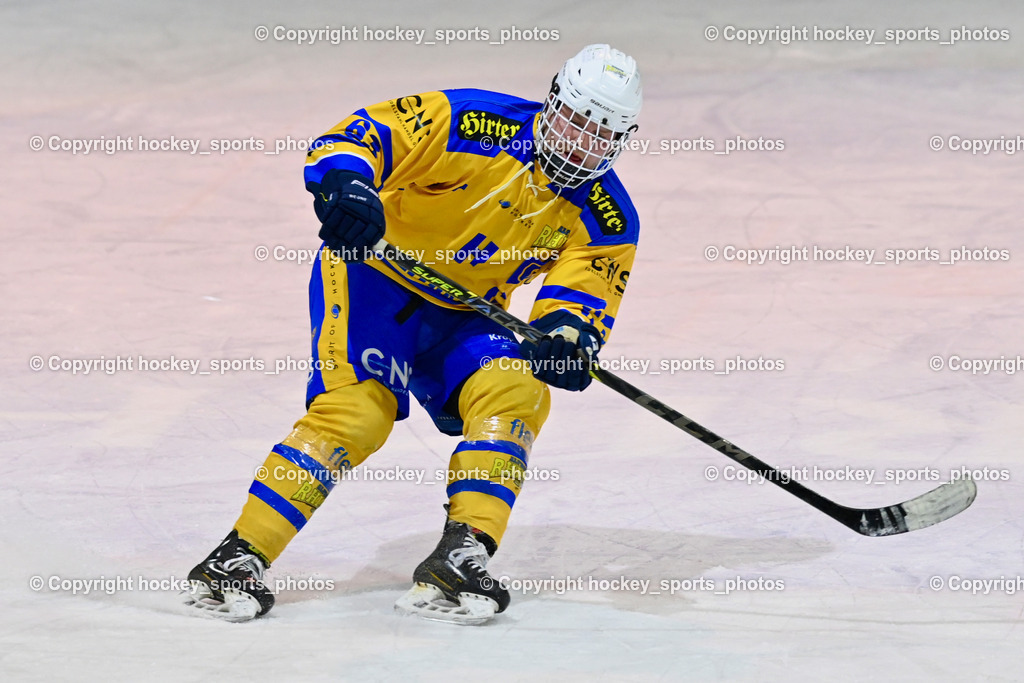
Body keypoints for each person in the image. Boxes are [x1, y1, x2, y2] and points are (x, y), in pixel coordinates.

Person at [184, 43, 643, 623]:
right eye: (576, 121)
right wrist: (347, 187)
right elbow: (359, 135)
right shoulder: (474, 122)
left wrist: (565, 342)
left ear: (623, 140)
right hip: (374, 273)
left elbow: (580, 302)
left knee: (518, 391)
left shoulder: (608, 216)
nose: (582, 143)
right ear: (552, 103)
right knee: (358, 413)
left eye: (601, 135)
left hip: (468, 312)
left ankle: (462, 552)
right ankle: (238, 555)